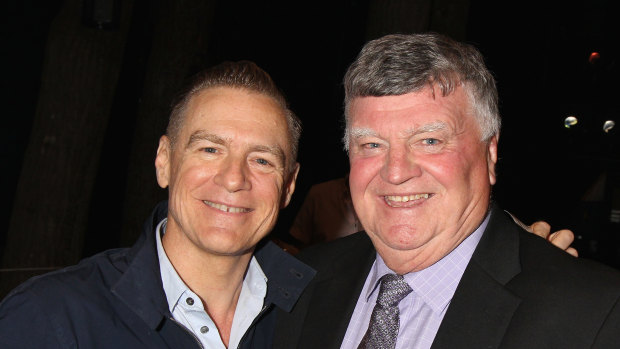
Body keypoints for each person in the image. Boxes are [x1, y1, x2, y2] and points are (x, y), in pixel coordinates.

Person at [274, 33, 620, 348]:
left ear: (490, 154)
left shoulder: (595, 312)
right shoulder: (301, 281)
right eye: (372, 144)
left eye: (429, 141)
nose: (395, 173)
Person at [0, 61, 316, 348]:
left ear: (289, 185)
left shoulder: (323, 317)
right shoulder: (51, 318)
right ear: (164, 161)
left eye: (261, 160)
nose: (234, 178)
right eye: (209, 149)